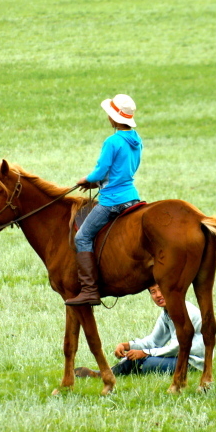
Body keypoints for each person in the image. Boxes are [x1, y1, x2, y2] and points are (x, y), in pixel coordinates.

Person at [64, 94, 143, 307]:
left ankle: (89, 290)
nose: (108, 118)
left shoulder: (113, 141)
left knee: (82, 237)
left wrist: (87, 180)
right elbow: (126, 170)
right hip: (132, 197)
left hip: (112, 200)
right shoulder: (136, 139)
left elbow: (101, 170)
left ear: (116, 118)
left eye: (110, 114)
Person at [74, 285, 205, 377]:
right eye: (153, 292)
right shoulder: (167, 312)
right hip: (180, 358)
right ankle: (105, 373)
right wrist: (127, 345)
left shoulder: (184, 311)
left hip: (192, 362)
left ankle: (104, 374)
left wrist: (144, 353)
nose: (158, 295)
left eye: (160, 289)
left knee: (146, 362)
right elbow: (153, 341)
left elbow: (178, 347)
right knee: (138, 358)